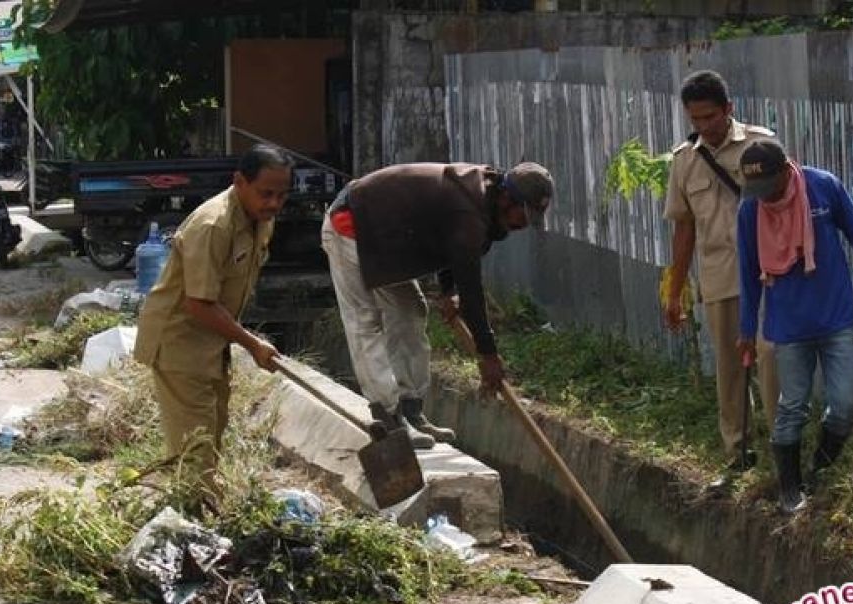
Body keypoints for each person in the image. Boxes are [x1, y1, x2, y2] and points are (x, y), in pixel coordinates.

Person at [321, 161, 553, 448]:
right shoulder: (469, 209)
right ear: (507, 198)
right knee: (365, 323)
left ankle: (411, 410)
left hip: (387, 238)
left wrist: (448, 290)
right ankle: (389, 419)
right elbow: (472, 292)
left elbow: (446, 239)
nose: (522, 225)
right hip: (352, 225)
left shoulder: (482, 201)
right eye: (523, 214)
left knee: (411, 310)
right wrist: (488, 355)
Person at [736, 141, 853, 514]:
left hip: (835, 317)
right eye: (758, 191)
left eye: (770, 186)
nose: (766, 197)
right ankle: (789, 489)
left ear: (785, 170)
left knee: (844, 404)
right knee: (793, 405)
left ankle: (818, 472)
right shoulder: (751, 210)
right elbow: (748, 272)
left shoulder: (823, 187)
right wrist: (747, 328)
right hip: (789, 324)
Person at [133, 144, 292, 489]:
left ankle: (195, 513)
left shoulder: (260, 220)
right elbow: (198, 303)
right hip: (179, 341)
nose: (273, 204)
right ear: (239, 182)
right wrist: (252, 344)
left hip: (211, 342)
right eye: (266, 194)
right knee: (195, 449)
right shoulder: (212, 225)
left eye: (282, 196)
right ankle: (188, 520)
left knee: (213, 434)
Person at [664, 70, 779, 479]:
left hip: (767, 275)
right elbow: (683, 230)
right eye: (695, 119)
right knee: (729, 367)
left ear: (728, 109)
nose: (703, 127)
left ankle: (781, 450)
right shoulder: (684, 160)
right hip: (718, 277)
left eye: (710, 117)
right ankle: (738, 454)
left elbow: (787, 203)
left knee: (769, 357)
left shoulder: (760, 144)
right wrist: (673, 292)